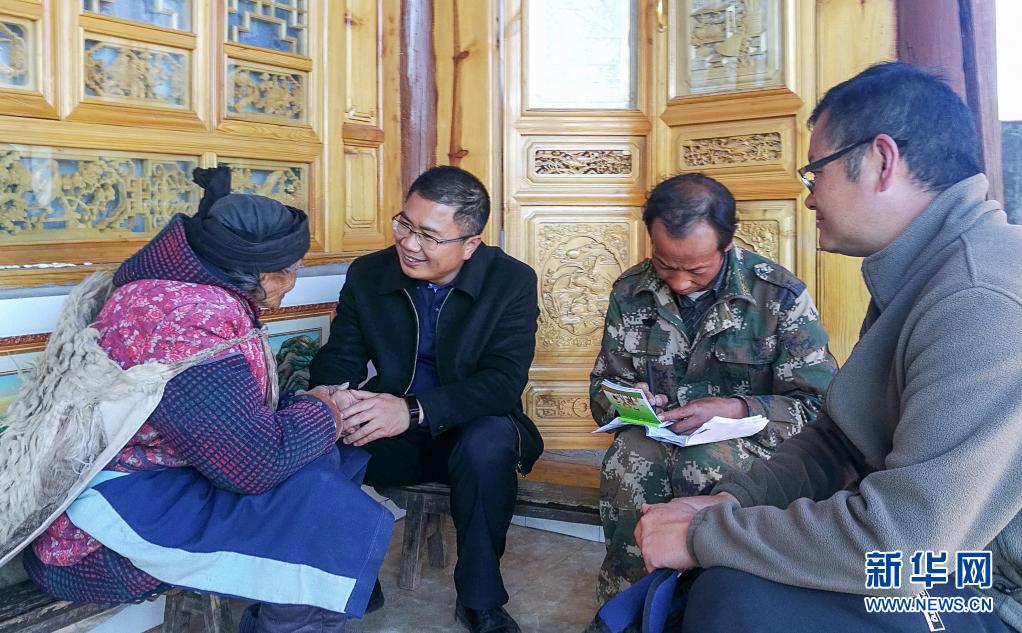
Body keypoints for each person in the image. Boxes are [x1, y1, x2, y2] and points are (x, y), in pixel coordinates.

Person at [635, 62, 1022, 633]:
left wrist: (705, 535)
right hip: (938, 551)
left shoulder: (978, 297)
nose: (809, 197)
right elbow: (842, 438)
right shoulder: (920, 270)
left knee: (735, 597)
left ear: (882, 161)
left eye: (816, 172)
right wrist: (732, 502)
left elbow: (905, 545)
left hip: (990, 585)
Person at [7, 166, 392, 633]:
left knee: (322, 471)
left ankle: (298, 612)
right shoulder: (187, 322)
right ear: (260, 273)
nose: (295, 281)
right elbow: (252, 464)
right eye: (293, 269)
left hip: (166, 479)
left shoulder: (190, 295)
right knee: (318, 512)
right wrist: (324, 411)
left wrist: (309, 405)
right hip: (101, 531)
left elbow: (222, 419)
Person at [309, 165, 543, 633]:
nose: (410, 244)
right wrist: (332, 395)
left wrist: (414, 410)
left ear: (470, 244)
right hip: (395, 433)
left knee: (487, 444)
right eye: (405, 225)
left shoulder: (510, 281)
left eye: (429, 236)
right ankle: (353, 573)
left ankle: (479, 599)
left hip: (471, 426)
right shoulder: (369, 273)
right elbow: (342, 354)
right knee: (316, 437)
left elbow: (503, 381)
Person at [591, 172, 837, 601]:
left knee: (704, 461)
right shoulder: (630, 291)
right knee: (630, 455)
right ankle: (627, 603)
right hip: (657, 439)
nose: (679, 282)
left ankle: (711, 604)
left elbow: (819, 407)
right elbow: (603, 388)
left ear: (727, 244)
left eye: (697, 270)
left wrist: (738, 408)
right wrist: (631, 400)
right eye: (665, 265)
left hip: (754, 447)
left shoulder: (778, 295)